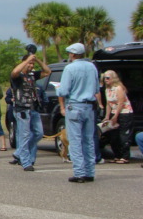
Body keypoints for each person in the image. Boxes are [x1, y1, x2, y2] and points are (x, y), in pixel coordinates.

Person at [56, 43, 101, 183]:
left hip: (74, 105)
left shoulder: (70, 68)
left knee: (75, 141)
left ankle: (79, 172)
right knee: (89, 140)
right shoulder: (92, 67)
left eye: (70, 53)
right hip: (89, 106)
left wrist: (58, 89)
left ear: (73, 54)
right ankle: (90, 171)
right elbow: (96, 88)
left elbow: (63, 91)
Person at [9, 54, 51, 171]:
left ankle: (19, 152)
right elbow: (14, 72)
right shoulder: (18, 77)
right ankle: (26, 161)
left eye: (32, 64)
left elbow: (47, 72)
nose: (31, 66)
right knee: (24, 135)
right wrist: (26, 60)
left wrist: (36, 59)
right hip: (21, 109)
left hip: (34, 109)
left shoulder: (32, 75)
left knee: (38, 133)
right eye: (29, 63)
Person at [102, 70, 134, 163]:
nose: (105, 80)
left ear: (113, 78)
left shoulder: (118, 88)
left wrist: (116, 116)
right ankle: (117, 155)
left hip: (124, 112)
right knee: (113, 135)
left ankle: (125, 156)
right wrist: (107, 116)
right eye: (104, 78)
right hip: (113, 111)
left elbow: (121, 103)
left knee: (124, 135)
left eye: (107, 78)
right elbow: (108, 103)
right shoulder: (107, 89)